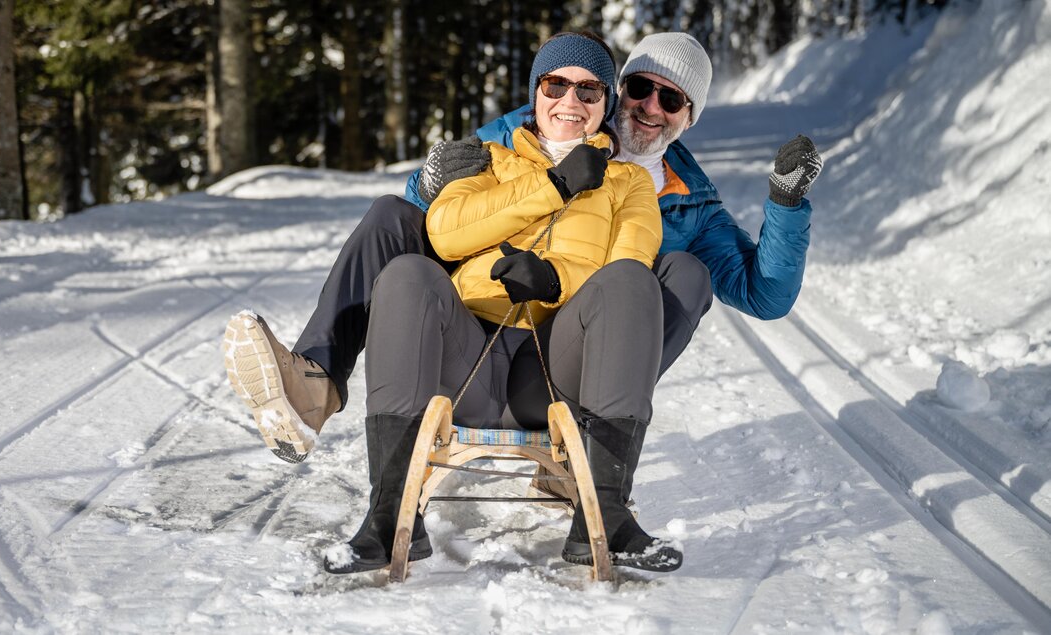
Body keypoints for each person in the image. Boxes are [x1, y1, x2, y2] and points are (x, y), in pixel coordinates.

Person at [220, 31, 822, 469]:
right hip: (482, 321)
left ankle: (598, 432)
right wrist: (426, 184)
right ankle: (315, 383)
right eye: (640, 88)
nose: (650, 108)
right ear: (616, 94)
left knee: (683, 274)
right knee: (389, 218)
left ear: (689, 118)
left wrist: (787, 205)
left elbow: (765, 296)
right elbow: (442, 212)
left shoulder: (690, 204)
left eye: (672, 100)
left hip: (574, 347)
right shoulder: (533, 129)